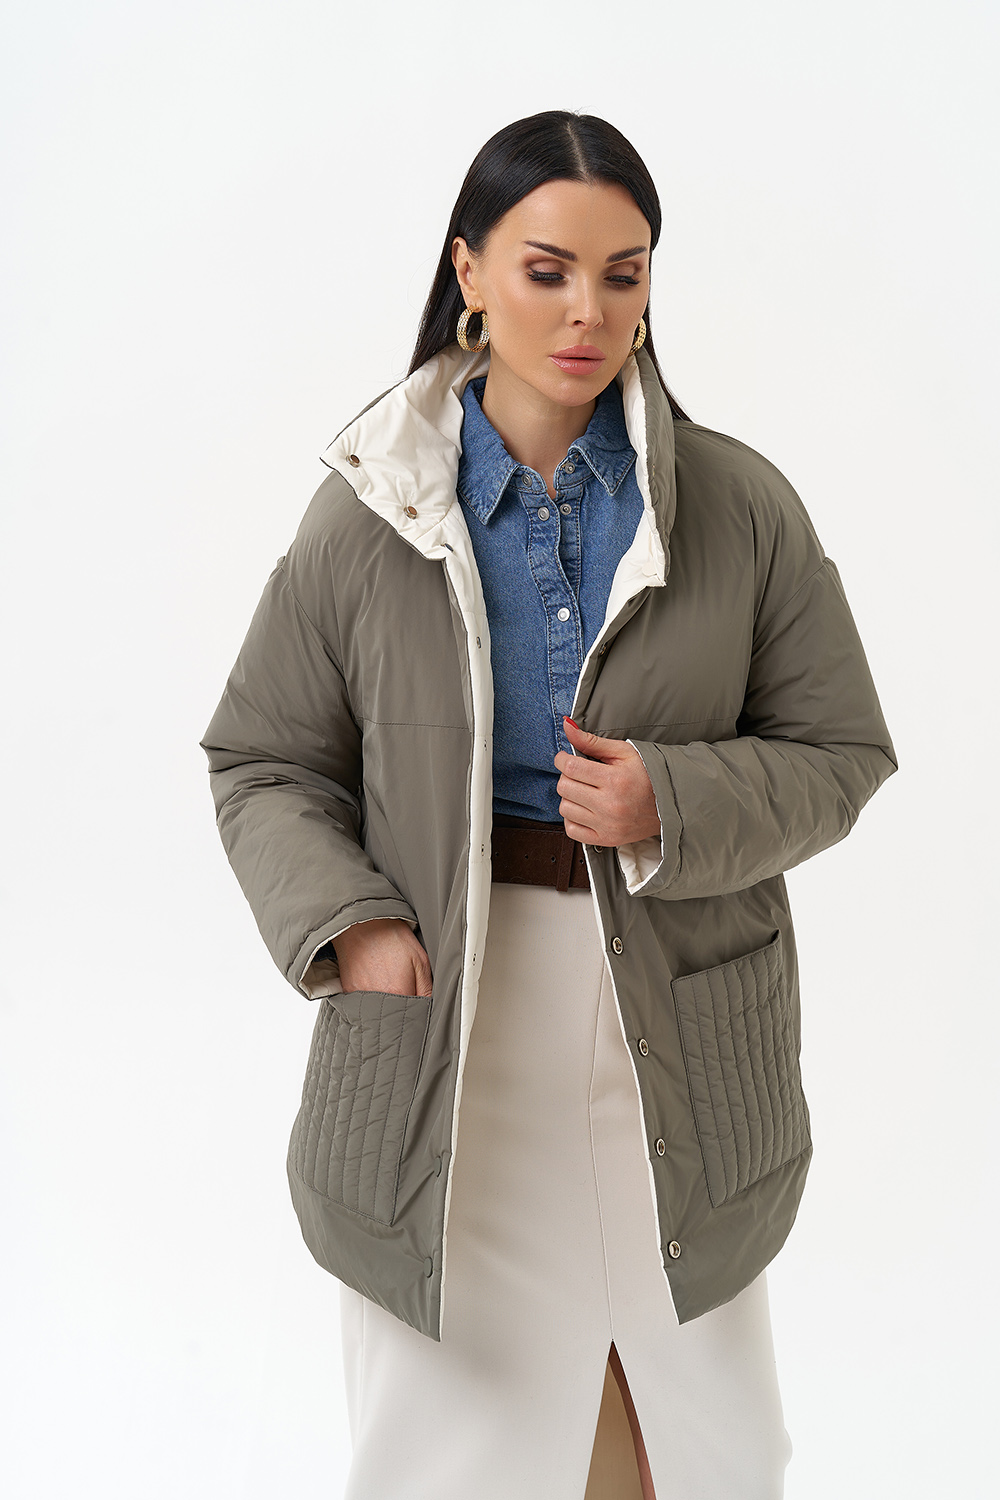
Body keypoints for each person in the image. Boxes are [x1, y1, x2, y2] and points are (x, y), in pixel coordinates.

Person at [200, 110, 898, 1499]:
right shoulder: (372, 511)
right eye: (547, 270)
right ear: (468, 270)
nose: (589, 311)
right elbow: (261, 758)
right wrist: (351, 927)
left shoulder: (736, 508)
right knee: (453, 1444)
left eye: (623, 275)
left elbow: (841, 750)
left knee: (690, 1439)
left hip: (677, 1015)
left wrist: (672, 799)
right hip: (447, 1024)